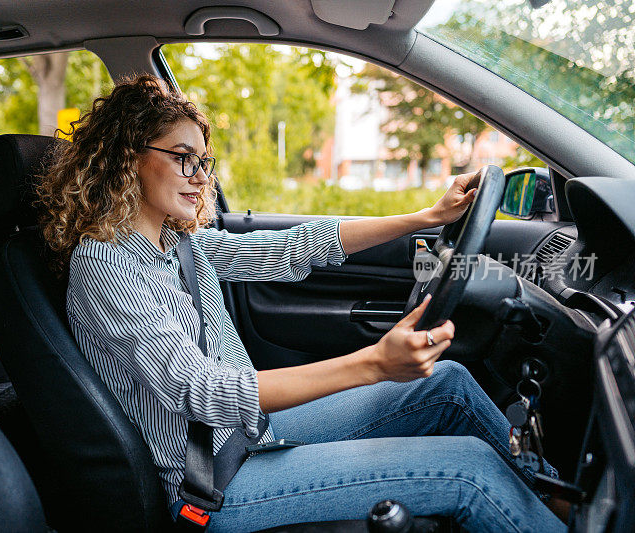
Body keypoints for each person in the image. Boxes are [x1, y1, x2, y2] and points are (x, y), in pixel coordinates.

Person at [37, 74, 565, 532]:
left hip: (248, 435)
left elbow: (289, 248)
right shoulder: (104, 266)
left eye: (203, 160)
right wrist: (374, 363)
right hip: (210, 483)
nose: (201, 177)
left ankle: (552, 500)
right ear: (128, 160)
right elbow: (205, 392)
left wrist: (424, 218)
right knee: (468, 470)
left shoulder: (177, 242)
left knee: (446, 384)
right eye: (182, 159)